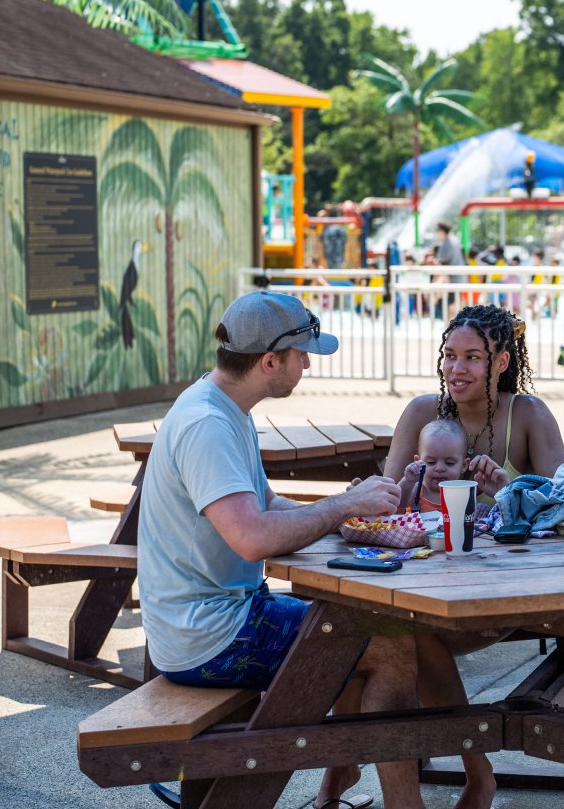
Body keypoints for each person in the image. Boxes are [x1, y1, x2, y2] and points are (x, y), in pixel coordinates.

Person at [138, 291, 414, 809]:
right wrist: (340, 505)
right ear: (269, 361)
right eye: (302, 354)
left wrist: (348, 518)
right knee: (390, 645)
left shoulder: (223, 406)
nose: (307, 362)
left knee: (362, 630)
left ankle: (334, 791)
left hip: (214, 618)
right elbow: (253, 537)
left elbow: (266, 504)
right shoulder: (208, 425)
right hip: (210, 635)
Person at [383, 305, 564, 809]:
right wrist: (396, 490)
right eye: (449, 356)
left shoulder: (527, 416)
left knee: (400, 640)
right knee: (382, 638)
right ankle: (475, 772)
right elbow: (388, 506)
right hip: (423, 585)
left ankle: (475, 772)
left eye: (471, 357)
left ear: (502, 362)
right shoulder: (423, 414)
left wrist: (509, 488)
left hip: (501, 594)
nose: (455, 369)